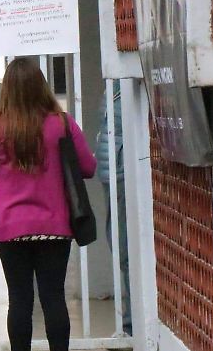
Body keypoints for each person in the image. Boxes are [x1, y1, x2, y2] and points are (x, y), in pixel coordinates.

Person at [0, 58, 96, 351]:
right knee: (54, 297)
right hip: (54, 227)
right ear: (42, 85)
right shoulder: (63, 124)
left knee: (19, 300)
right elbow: (88, 167)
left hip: (10, 228)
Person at [94, 80, 132, 335]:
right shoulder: (114, 83)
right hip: (113, 175)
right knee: (120, 247)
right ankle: (132, 322)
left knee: (126, 250)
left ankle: (132, 325)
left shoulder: (128, 80)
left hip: (122, 174)